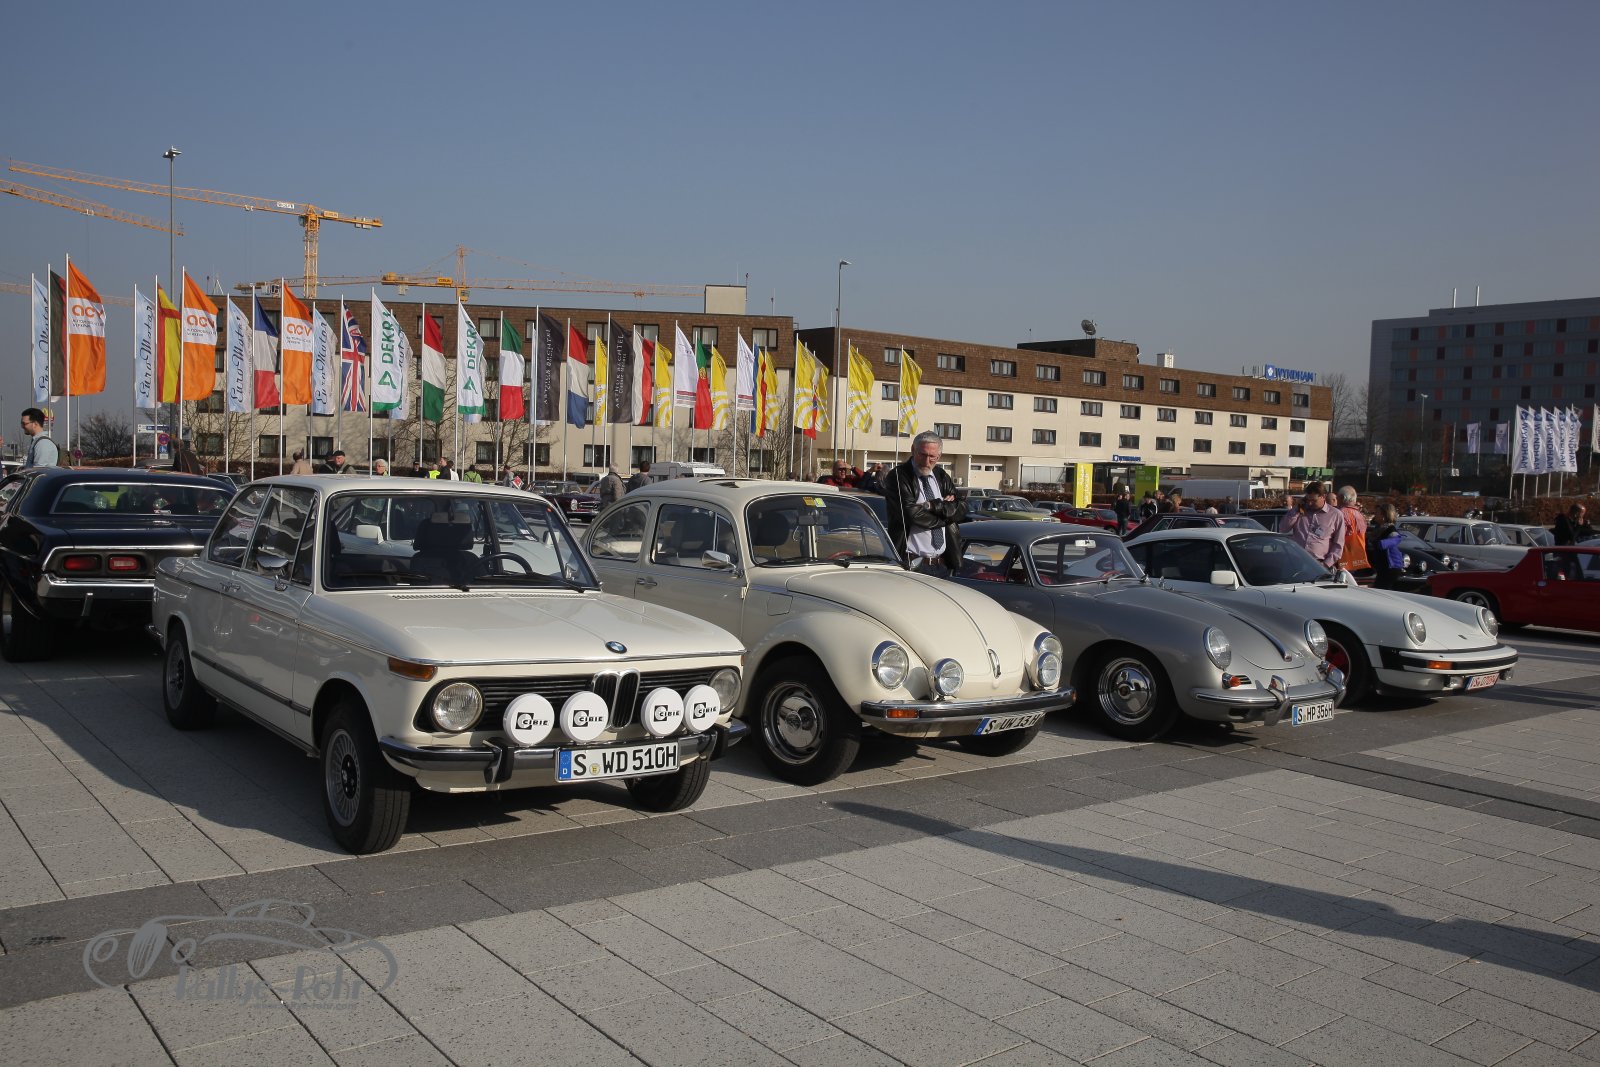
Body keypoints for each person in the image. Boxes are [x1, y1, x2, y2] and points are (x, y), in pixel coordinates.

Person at [882, 430, 963, 575]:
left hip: (942, 564)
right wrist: (947, 515)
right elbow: (910, 515)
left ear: (939, 456)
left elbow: (962, 507)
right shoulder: (899, 476)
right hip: (911, 564)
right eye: (922, 455)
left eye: (932, 457)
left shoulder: (941, 475)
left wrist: (932, 506)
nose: (926, 462)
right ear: (913, 450)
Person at [1279, 482, 1346, 568]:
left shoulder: (1335, 515)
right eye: (1308, 500)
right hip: (1295, 560)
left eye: (1314, 500)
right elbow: (1283, 528)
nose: (1310, 503)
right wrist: (1297, 509)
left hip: (1318, 564)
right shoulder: (1301, 510)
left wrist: (1326, 564)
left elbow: (1338, 545)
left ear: (1323, 497)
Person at [1367, 502, 1404, 589]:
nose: (1375, 515)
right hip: (1382, 567)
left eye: (1377, 513)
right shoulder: (1378, 529)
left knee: (1381, 589)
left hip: (1390, 567)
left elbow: (1396, 539)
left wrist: (1381, 543)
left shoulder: (1390, 530)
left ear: (1384, 516)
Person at [1335, 485, 1370, 573]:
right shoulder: (1360, 515)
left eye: (1337, 497)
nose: (1336, 499)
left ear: (1342, 498)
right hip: (1358, 558)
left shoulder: (1340, 513)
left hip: (1343, 559)